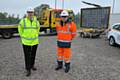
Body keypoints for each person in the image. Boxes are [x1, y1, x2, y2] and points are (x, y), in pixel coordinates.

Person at [18, 7, 40, 77]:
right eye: (29, 12)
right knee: (27, 56)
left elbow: (38, 29)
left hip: (34, 41)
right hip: (26, 42)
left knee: (33, 55)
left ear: (33, 13)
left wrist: (35, 35)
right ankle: (28, 69)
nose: (30, 14)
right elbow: (20, 29)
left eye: (31, 12)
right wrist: (22, 36)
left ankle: (32, 65)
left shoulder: (36, 21)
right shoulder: (23, 21)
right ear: (27, 13)